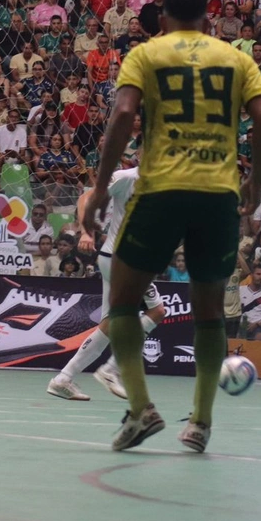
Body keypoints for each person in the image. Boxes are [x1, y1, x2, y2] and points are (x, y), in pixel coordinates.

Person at [82, 0, 261, 453]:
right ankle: (201, 423)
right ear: (209, 19)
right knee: (210, 312)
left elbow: (124, 112)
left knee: (124, 301)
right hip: (217, 196)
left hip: (161, 190)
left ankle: (142, 408)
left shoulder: (147, 54)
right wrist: (257, 181)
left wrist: (104, 186)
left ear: (163, 19)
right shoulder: (237, 58)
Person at [46, 160, 166, 401]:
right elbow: (85, 199)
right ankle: (111, 369)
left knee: (110, 324)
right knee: (156, 311)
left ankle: (63, 379)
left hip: (125, 259)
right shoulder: (126, 177)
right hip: (122, 258)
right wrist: (86, 231)